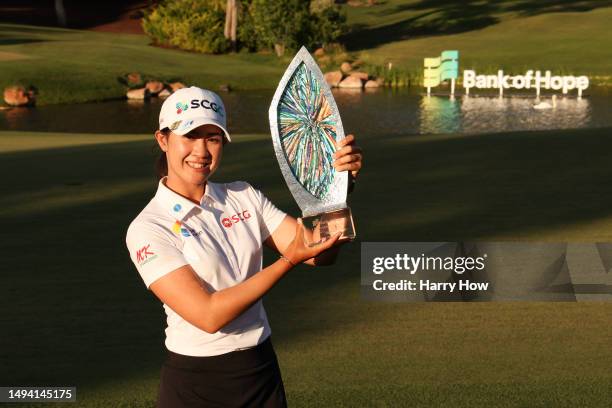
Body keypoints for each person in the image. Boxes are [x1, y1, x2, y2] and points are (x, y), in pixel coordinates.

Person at [125, 86, 363, 407]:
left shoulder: (243, 195)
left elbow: (320, 253)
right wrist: (286, 261)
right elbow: (208, 316)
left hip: (260, 370)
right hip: (197, 383)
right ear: (163, 140)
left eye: (213, 138)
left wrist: (336, 191)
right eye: (190, 136)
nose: (202, 151)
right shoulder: (148, 227)